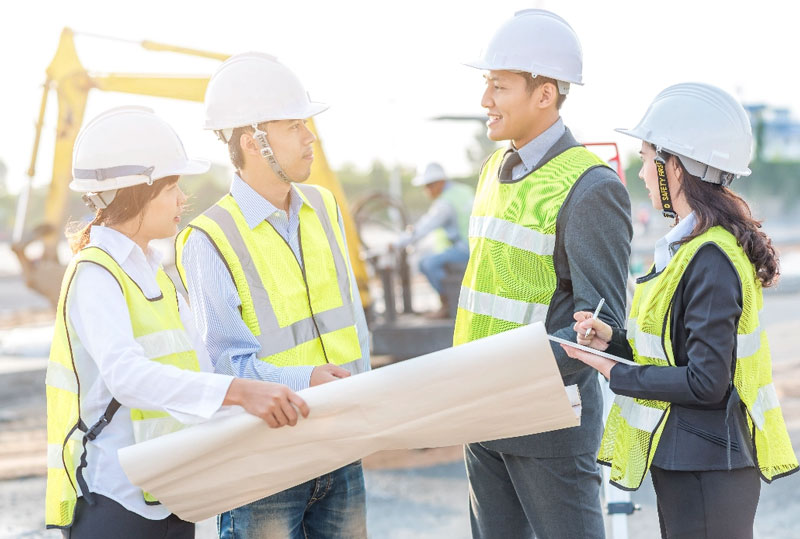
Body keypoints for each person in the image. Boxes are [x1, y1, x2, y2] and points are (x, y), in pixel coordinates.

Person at [45, 106, 308, 538]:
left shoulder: (155, 273)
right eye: (172, 187)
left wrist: (296, 387)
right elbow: (126, 377)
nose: (183, 199)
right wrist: (241, 393)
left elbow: (200, 374)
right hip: (116, 501)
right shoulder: (96, 274)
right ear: (137, 193)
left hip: (170, 494)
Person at [562, 82, 799, 538]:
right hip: (689, 459)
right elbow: (678, 351)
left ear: (674, 166)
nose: (641, 173)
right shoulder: (688, 249)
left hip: (709, 464)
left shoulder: (711, 257)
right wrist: (612, 342)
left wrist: (613, 372)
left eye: (646, 157)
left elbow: (707, 383)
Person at [453, 9, 632, 539]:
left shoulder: (591, 187)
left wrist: (510, 376)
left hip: (546, 428)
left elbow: (602, 331)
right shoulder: (492, 172)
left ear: (545, 94)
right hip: (479, 417)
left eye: (498, 86)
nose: (485, 100)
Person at [176, 53, 370, 538]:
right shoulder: (208, 239)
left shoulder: (323, 207)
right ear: (252, 142)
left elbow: (354, 324)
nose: (310, 138)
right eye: (294, 126)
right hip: (264, 462)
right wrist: (307, 379)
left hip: (340, 445)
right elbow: (225, 369)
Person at [393, 162, 474, 318]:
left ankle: (449, 304)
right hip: (475, 245)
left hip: (466, 248)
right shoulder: (464, 191)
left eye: (428, 185)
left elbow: (426, 226)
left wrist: (398, 242)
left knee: (427, 263)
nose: (426, 190)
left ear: (440, 182)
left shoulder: (445, 203)